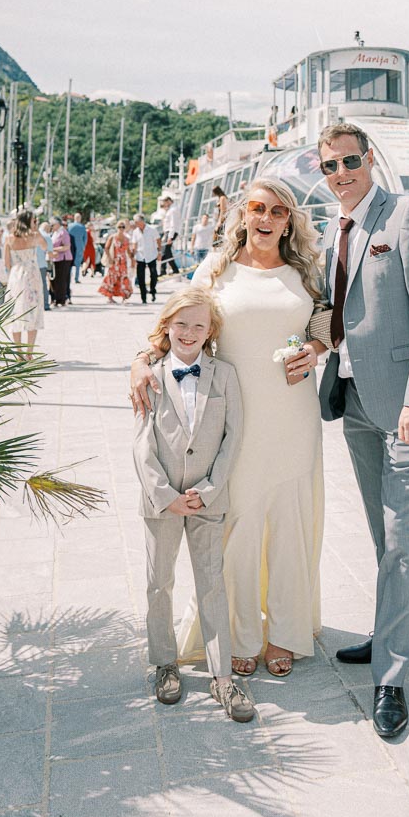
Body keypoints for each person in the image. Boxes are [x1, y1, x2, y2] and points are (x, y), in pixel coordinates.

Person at [131, 180, 325, 679]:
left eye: (278, 211)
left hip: (293, 415)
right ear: (242, 214)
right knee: (236, 526)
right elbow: (180, 322)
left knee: (288, 522)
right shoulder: (215, 271)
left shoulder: (306, 272)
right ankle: (239, 633)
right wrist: (141, 359)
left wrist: (318, 349)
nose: (266, 218)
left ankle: (286, 632)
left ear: (289, 221)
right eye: (257, 208)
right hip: (230, 422)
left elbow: (328, 321)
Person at [312, 122, 409, 739]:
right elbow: (338, 313)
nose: (342, 173)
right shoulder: (336, 229)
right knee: (382, 529)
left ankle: (392, 674)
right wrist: (308, 344)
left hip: (407, 410)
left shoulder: (406, 215)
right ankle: (404, 628)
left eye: (350, 161)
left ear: (368, 159)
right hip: (353, 401)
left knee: (403, 537)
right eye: (331, 166)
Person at [132, 288, 253, 720]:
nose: (189, 332)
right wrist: (165, 496)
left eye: (198, 325)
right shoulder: (150, 375)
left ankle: (223, 676)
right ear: (166, 326)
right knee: (158, 582)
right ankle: (165, 663)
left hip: (207, 499)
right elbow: (142, 445)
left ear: (210, 331)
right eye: (181, 324)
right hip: (161, 503)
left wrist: (210, 488)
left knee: (211, 583)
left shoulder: (225, 376)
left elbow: (233, 438)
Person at [3, 209, 47, 359]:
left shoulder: (9, 239)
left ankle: (19, 352)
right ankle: (29, 352)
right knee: (33, 312)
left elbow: (7, 263)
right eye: (34, 220)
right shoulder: (34, 236)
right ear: (29, 221)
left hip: (16, 275)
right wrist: (36, 230)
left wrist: (15, 272)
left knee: (16, 312)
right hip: (32, 274)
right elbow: (45, 246)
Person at [99, 220, 133, 303]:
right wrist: (110, 258)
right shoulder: (112, 237)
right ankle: (110, 297)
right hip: (114, 261)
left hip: (123, 262)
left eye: (123, 227)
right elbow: (106, 248)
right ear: (116, 228)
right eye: (119, 227)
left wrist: (133, 257)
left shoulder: (127, 239)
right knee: (112, 278)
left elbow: (128, 251)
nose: (121, 229)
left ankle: (124, 297)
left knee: (123, 278)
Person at [131, 213, 161, 304]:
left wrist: (159, 252)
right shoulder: (135, 232)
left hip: (151, 255)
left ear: (142, 221)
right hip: (140, 256)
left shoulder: (152, 230)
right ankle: (143, 297)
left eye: (137, 222)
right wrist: (133, 255)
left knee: (154, 274)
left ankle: (152, 290)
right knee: (141, 278)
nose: (135, 224)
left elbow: (158, 240)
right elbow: (134, 244)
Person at [49, 216, 72, 308]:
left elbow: (66, 246)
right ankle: (56, 298)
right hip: (56, 259)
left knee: (61, 280)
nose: (51, 226)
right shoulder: (55, 233)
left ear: (57, 224)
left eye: (52, 225)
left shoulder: (63, 233)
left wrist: (53, 249)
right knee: (56, 279)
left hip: (63, 259)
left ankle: (61, 299)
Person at [160, 195, 180, 276]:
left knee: (166, 251)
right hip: (168, 232)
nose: (165, 205)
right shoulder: (171, 210)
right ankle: (163, 271)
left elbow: (173, 224)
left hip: (171, 232)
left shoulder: (173, 210)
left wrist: (170, 237)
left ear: (168, 201)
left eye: (165, 203)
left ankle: (175, 269)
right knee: (164, 251)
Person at [37, 219, 53, 312]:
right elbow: (50, 253)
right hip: (42, 263)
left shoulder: (32, 235)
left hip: (30, 263)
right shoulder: (46, 237)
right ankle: (45, 304)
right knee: (43, 284)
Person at [68, 213, 88, 287]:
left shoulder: (70, 226)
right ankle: (76, 278)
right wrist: (84, 246)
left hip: (70, 246)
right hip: (80, 246)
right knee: (78, 264)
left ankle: (69, 278)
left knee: (69, 263)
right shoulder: (82, 227)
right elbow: (85, 238)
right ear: (80, 218)